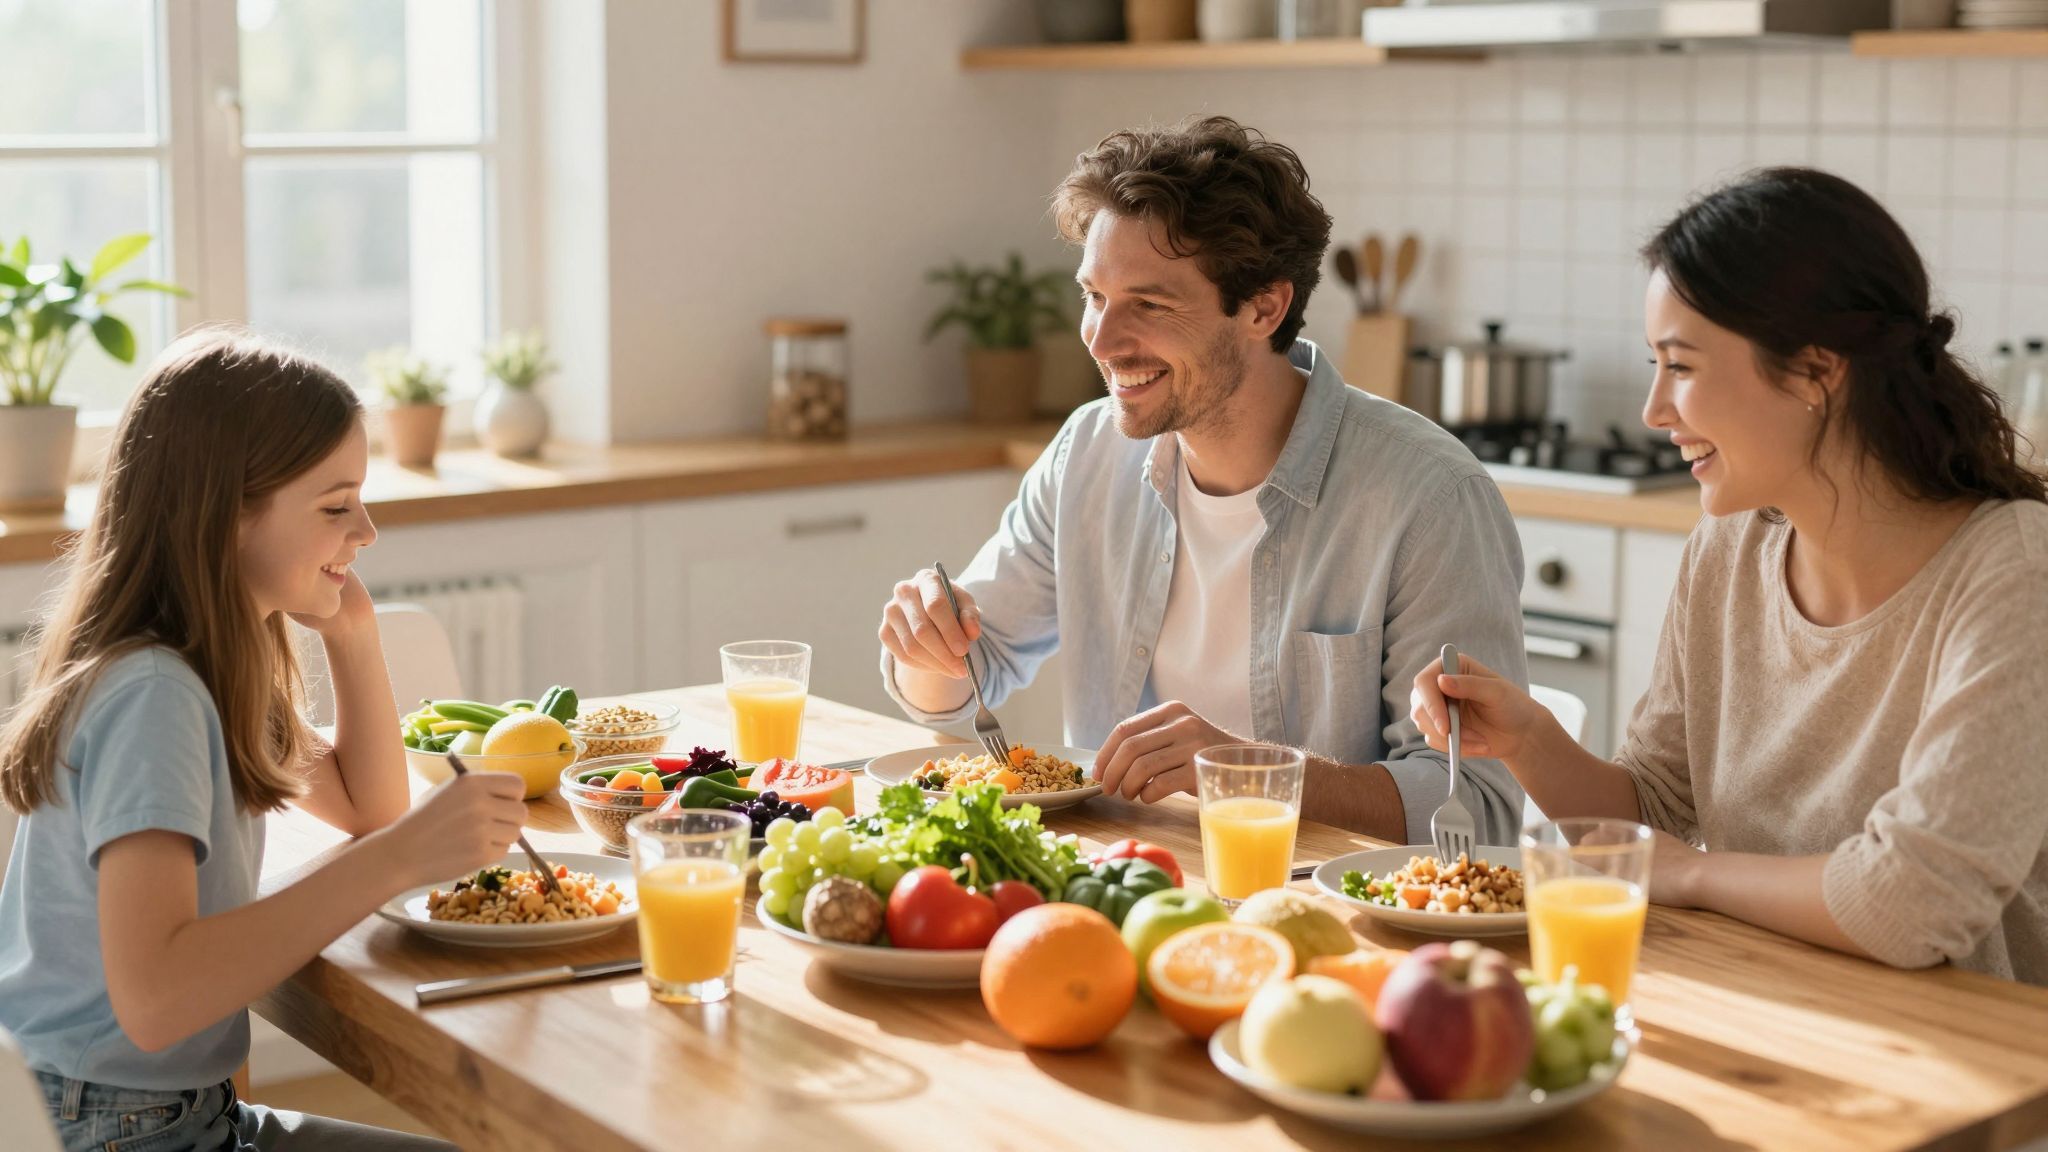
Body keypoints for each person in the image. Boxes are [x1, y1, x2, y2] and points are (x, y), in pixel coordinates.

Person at [1410, 167, 2048, 984]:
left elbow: (1917, 900)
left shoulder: (2012, 571)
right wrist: (1527, 738)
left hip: (1964, 1059)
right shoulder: (1731, 548)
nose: (1653, 411)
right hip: (1760, 1004)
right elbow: (1653, 813)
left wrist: (1692, 873)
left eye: (1680, 366)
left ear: (1816, 373)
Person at [878, 116, 1528, 846]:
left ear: (1263, 307)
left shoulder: (1428, 498)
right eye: (1094, 296)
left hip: (1322, 919)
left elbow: (1472, 808)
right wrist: (927, 650)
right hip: (1119, 883)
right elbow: (965, 684)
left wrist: (1244, 772)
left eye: (1149, 305)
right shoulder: (1088, 453)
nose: (1100, 338)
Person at [0, 330, 530, 1147]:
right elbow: (157, 999)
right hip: (121, 1129)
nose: (367, 530)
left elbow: (369, 807)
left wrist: (353, 638)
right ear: (228, 514)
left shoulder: (213, 658)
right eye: (334, 505)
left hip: (177, 1114)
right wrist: (397, 861)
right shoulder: (154, 696)